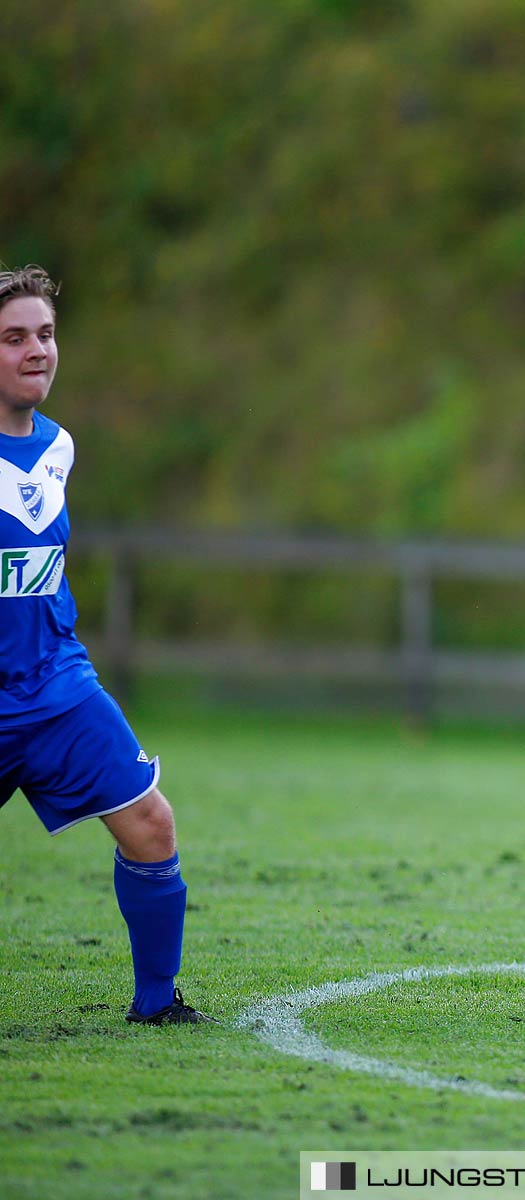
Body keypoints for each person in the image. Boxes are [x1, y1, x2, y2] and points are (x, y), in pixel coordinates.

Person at [0, 265, 211, 1024]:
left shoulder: (58, 448)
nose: (38, 350)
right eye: (15, 337)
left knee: (151, 824)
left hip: (57, 687)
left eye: (47, 334)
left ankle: (157, 1005)